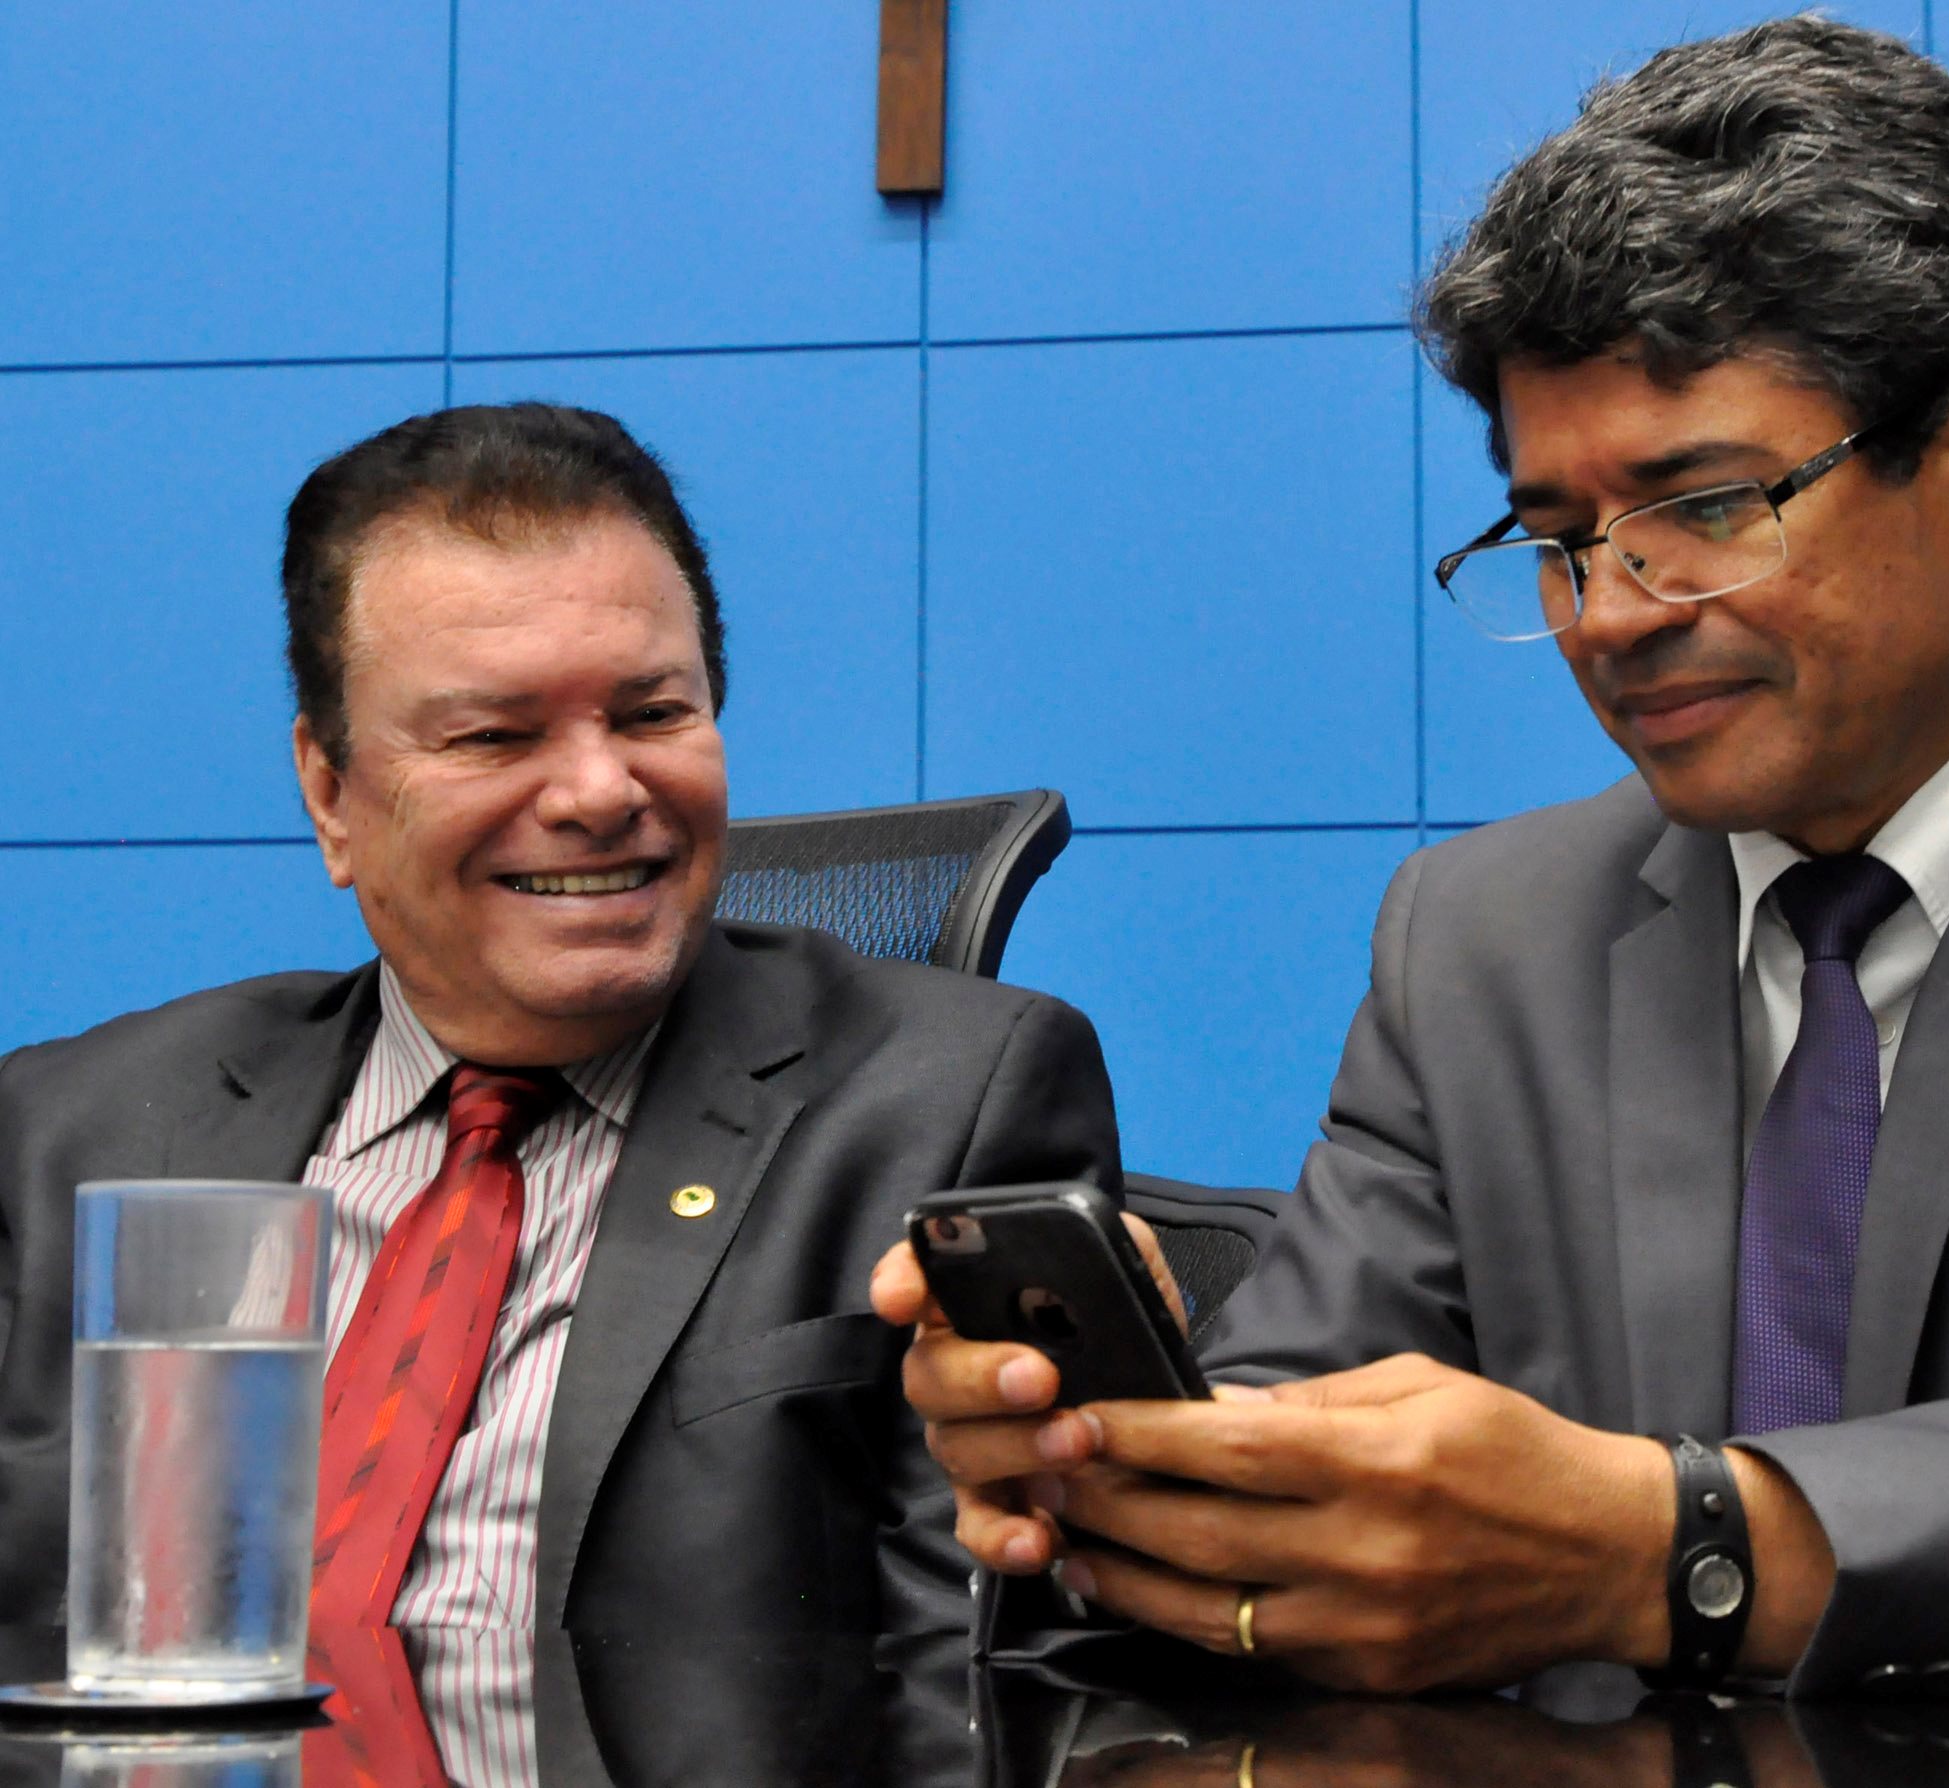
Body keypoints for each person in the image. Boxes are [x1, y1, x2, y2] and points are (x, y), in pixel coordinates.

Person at [876, 17, 1949, 1697]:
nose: (1612, 615)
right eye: (1557, 538)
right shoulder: (1479, 939)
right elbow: (1310, 1470)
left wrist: (1698, 1546)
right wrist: (1129, 1461)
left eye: (1707, 507)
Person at [0, 402, 1119, 1644]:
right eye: (494, 735)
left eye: (652, 716)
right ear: (330, 793)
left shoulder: (944, 1105)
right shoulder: (70, 1133)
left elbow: (991, 1663)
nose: (599, 791)